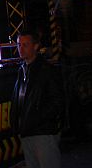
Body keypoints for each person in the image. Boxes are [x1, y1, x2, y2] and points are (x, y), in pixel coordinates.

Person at [11, 30, 64, 168]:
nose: (21, 48)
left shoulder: (47, 70)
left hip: (43, 132)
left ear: (35, 46)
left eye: (25, 45)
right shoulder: (22, 70)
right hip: (27, 132)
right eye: (19, 44)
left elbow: (57, 101)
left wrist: (36, 119)